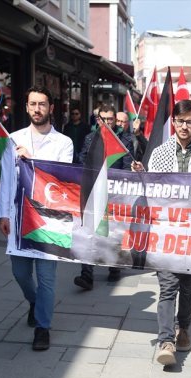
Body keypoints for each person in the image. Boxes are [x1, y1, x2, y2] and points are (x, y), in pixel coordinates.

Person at [131, 99, 191, 365]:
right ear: (174, 123)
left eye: (190, 121)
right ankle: (165, 340)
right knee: (168, 285)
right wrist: (142, 174)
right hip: (167, 229)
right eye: (180, 121)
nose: (184, 126)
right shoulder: (159, 152)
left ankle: (184, 327)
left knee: (189, 287)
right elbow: (152, 189)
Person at [0, 85, 74, 351]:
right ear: (26, 107)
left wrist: (32, 161)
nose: (37, 109)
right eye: (32, 104)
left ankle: (43, 327)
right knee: (20, 274)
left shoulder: (64, 143)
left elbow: (61, 181)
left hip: (50, 220)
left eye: (42, 104)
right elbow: (7, 179)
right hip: (19, 218)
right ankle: (34, 302)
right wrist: (3, 213)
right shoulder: (13, 138)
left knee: (47, 278)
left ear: (50, 108)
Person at [73, 104, 135, 290]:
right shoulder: (90, 138)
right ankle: (87, 275)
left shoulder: (124, 140)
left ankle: (114, 267)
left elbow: (127, 166)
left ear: (115, 120)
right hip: (93, 193)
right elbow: (82, 161)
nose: (107, 122)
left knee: (113, 232)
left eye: (110, 119)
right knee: (89, 233)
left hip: (115, 195)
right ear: (98, 120)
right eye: (104, 119)